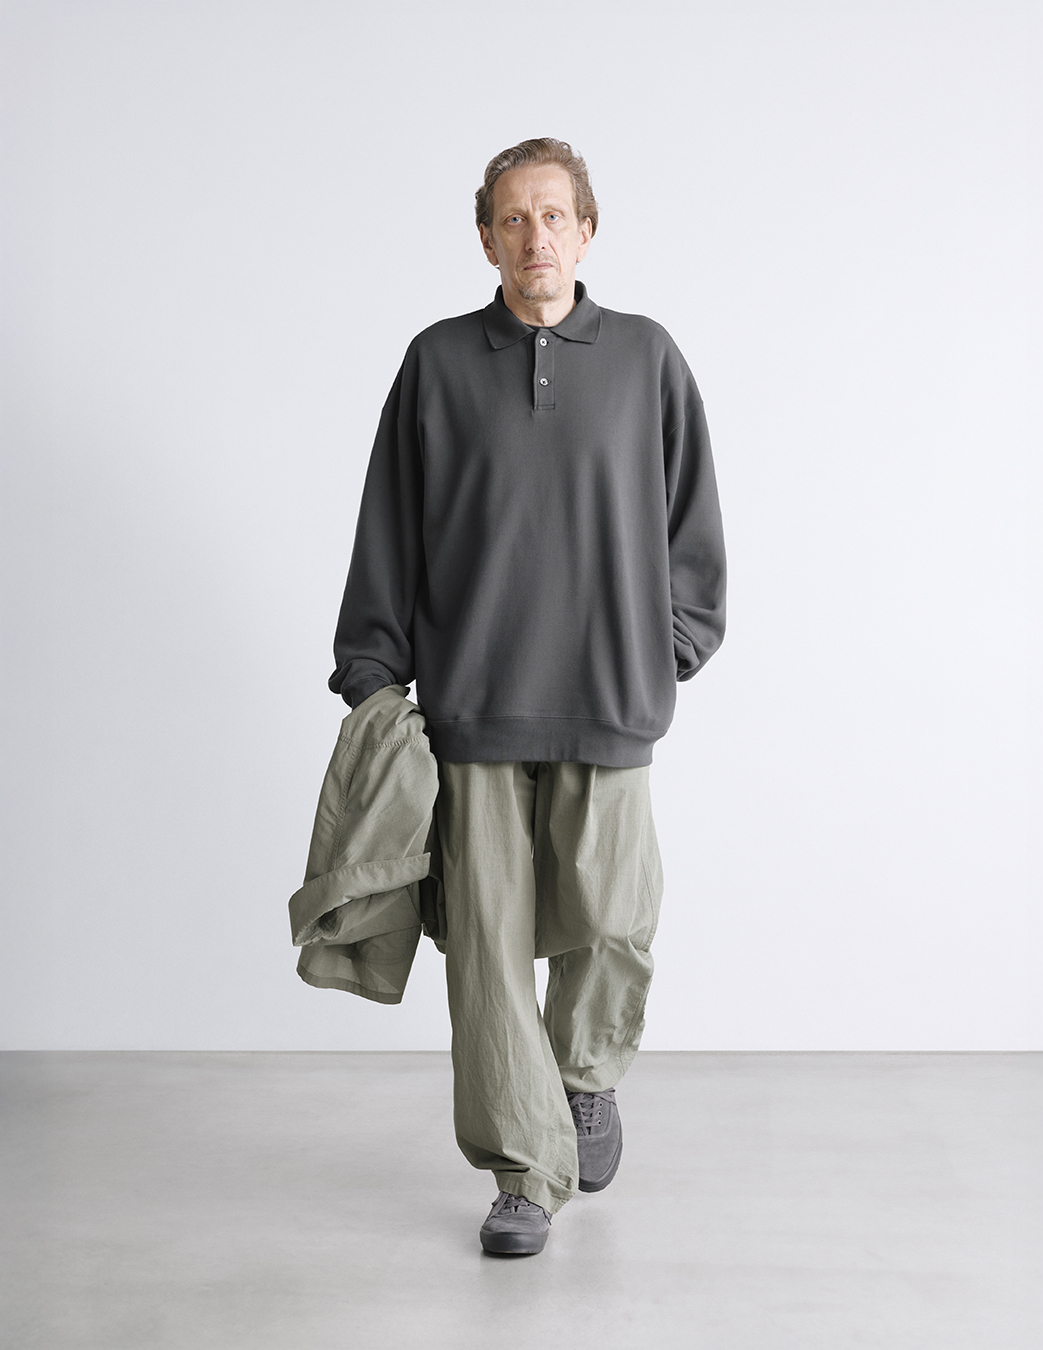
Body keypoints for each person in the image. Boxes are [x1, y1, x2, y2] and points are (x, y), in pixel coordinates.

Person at [328, 138, 726, 1255]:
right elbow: (390, 521)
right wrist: (374, 667)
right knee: (489, 955)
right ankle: (523, 1170)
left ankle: (585, 1078)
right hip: (475, 704)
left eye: (554, 215)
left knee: (613, 917)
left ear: (587, 231)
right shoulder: (437, 363)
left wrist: (671, 647)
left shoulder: (646, 358)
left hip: (610, 694)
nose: (534, 235)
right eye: (512, 218)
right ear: (486, 238)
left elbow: (692, 521)